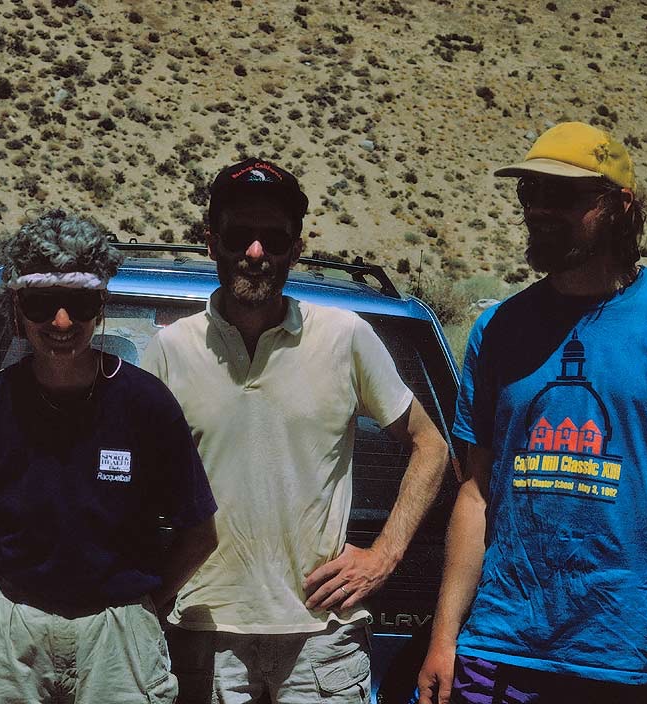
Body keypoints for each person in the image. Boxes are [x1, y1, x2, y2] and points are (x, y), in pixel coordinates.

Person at [416, 122, 647, 704]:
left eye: (565, 196)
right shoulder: (499, 329)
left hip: (627, 658)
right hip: (499, 649)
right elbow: (476, 492)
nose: (541, 209)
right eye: (530, 194)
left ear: (620, 206)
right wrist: (445, 636)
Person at [141, 158, 450, 703]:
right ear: (212, 241)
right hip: (202, 640)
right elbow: (125, 479)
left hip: (321, 645)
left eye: (274, 238)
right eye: (240, 234)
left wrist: (385, 554)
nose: (255, 252)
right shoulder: (170, 351)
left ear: (295, 248)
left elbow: (431, 445)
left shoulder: (346, 337)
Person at [0, 209, 218, 704]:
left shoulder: (146, 405)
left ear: (100, 305)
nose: (61, 322)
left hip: (120, 634)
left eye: (79, 303)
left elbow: (199, 533)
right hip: (13, 630)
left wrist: (142, 605)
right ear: (18, 309)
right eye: (43, 303)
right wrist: (21, 596)